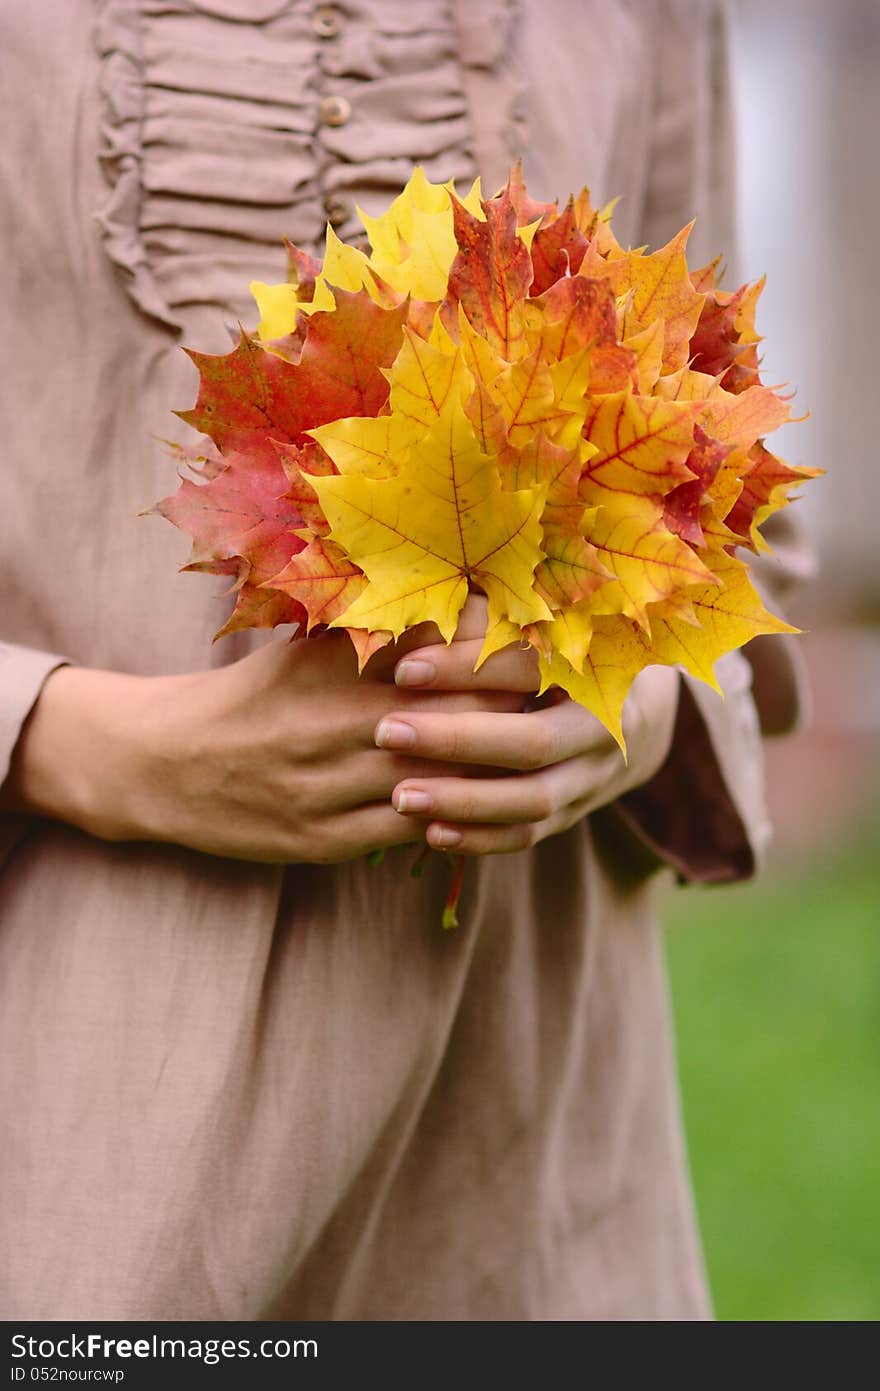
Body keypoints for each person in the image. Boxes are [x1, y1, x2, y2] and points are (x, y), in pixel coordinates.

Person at [0, 0, 806, 1319]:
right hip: (79, 1116)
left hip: (521, 1143)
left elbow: (726, 485)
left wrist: (635, 706)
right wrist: (82, 744)